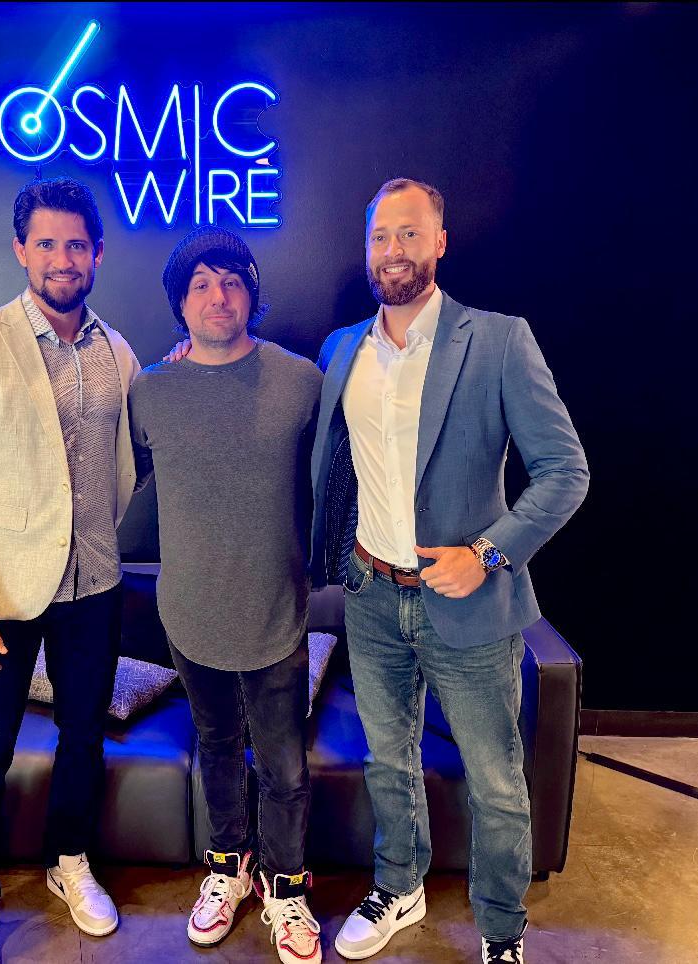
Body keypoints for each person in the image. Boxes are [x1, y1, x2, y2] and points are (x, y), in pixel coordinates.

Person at [311, 178, 588, 964]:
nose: (391, 250)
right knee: (386, 762)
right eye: (379, 236)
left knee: (495, 783)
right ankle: (398, 887)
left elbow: (565, 472)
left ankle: (501, 931)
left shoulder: (497, 341)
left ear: (438, 242)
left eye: (408, 233)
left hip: (467, 603)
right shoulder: (341, 349)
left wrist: (487, 555)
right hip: (370, 595)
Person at [0, 177, 140, 964]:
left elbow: (135, 455)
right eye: (45, 243)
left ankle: (68, 862)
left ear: (98, 253)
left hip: (94, 584)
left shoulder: (118, 352)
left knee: (84, 737)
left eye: (76, 244)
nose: (61, 258)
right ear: (20, 250)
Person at [129, 226, 324, 964]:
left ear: (251, 294)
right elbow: (110, 480)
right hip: (190, 610)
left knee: (284, 768)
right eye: (201, 285)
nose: (219, 297)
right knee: (215, 747)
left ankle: (287, 890)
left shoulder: (300, 380)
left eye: (232, 281)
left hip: (277, 610)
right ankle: (227, 871)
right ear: (180, 305)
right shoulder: (150, 391)